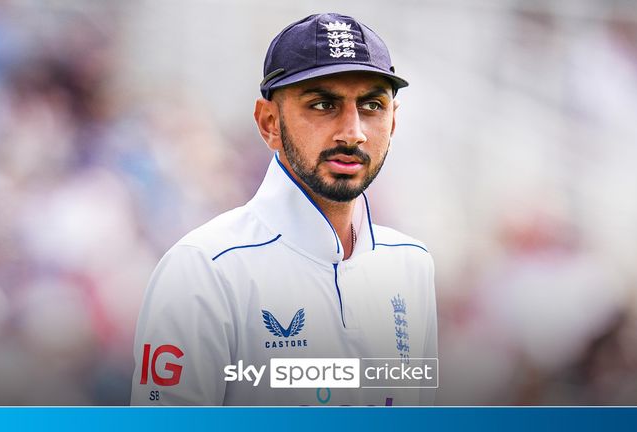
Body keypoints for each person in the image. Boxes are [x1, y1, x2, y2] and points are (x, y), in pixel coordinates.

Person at [131, 12, 437, 406]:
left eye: (372, 105)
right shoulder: (204, 269)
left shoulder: (411, 263)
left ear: (393, 122)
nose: (353, 131)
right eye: (324, 104)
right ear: (269, 122)